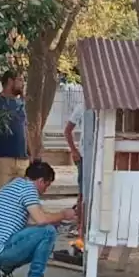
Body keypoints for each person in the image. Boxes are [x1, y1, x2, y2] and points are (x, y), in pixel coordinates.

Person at [0, 160, 75, 277]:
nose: (45, 190)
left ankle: (3, 268)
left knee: (46, 233)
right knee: (49, 232)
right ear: (41, 181)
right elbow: (41, 220)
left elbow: (33, 222)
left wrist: (56, 220)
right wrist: (63, 214)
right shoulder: (28, 189)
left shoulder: (17, 185)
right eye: (47, 185)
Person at [0, 71, 29, 199]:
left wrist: (31, 153)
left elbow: (25, 128)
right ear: (10, 81)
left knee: (19, 196)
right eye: (20, 80)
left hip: (22, 158)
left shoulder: (20, 104)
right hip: (2, 157)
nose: (22, 84)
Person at [64, 100, 87, 236]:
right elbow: (67, 130)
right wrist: (74, 150)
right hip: (84, 156)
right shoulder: (81, 107)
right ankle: (79, 226)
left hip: (99, 155)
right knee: (82, 191)